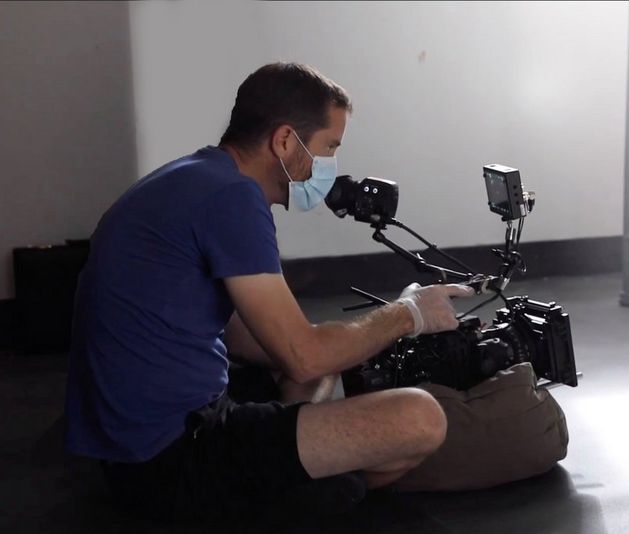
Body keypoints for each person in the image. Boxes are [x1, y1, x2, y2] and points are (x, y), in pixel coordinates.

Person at [64, 62, 474, 521]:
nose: (329, 167)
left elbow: (245, 338)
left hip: (124, 446)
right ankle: (297, 485)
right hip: (168, 458)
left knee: (319, 371)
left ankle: (299, 471)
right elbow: (303, 356)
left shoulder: (193, 176)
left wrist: (322, 358)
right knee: (419, 418)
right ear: (283, 141)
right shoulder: (233, 198)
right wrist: (409, 314)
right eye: (328, 148)